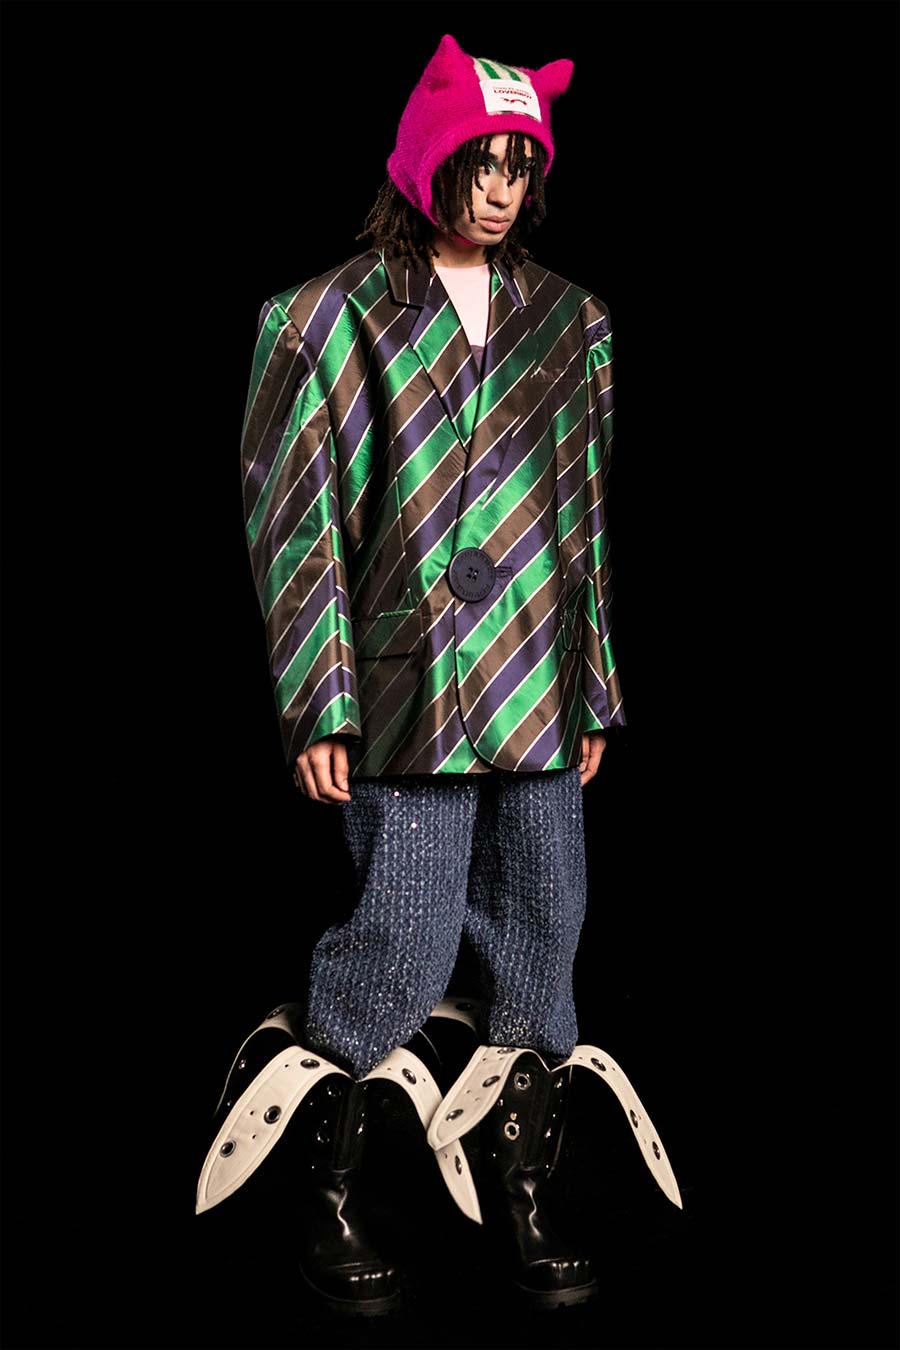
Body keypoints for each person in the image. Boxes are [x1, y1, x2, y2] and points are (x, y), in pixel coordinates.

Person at [197, 33, 682, 1317]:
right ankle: (332, 1184)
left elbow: (583, 516)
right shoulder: (324, 318)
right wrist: (318, 700)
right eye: (483, 163)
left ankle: (521, 1186)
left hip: (533, 674)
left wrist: (594, 685)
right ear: (430, 163)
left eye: (522, 167)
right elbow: (295, 519)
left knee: (547, 927)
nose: (502, 190)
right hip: (405, 681)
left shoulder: (572, 322)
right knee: (399, 934)